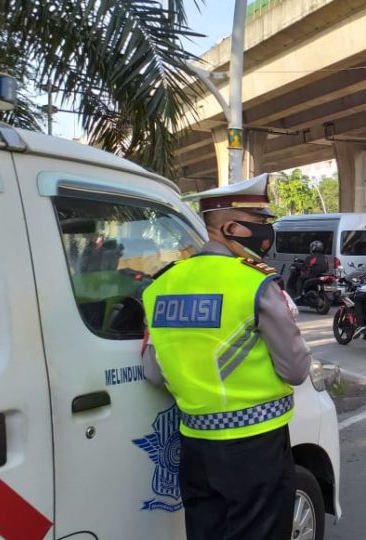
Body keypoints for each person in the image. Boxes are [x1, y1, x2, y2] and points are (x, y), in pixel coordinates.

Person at [140, 174, 311, 540]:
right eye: (261, 224)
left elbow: (154, 373)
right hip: (256, 444)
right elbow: (296, 370)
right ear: (232, 227)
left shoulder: (161, 285)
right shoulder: (254, 283)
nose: (266, 233)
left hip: (195, 443)